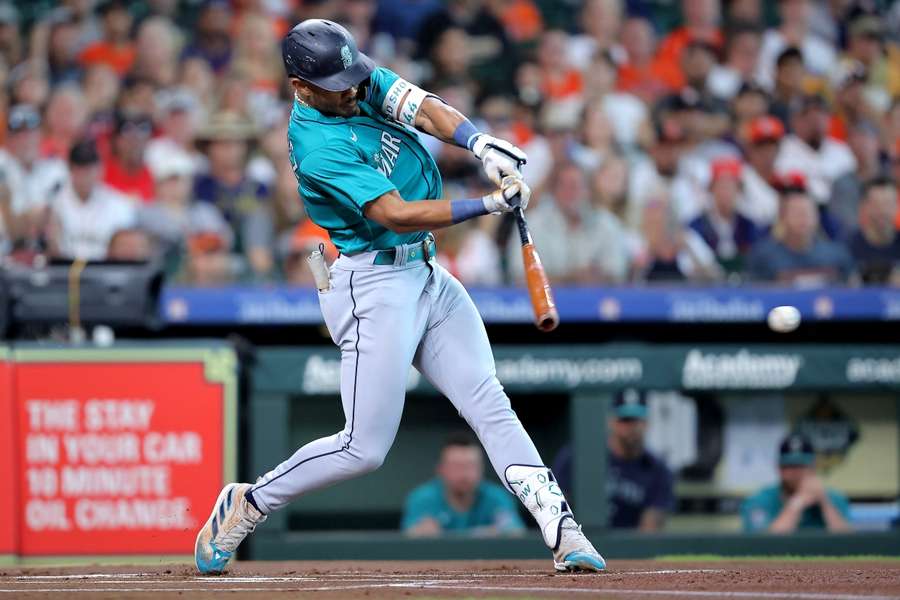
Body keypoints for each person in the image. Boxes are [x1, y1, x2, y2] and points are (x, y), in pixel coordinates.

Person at [194, 19, 605, 575]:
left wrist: (477, 142)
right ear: (301, 88)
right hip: (373, 286)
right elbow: (394, 214)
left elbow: (424, 107)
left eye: (353, 74)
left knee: (489, 400)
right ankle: (248, 502)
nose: (355, 88)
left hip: (427, 273)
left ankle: (566, 534)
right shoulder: (315, 146)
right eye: (339, 83)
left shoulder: (355, 80)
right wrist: (485, 204)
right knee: (363, 448)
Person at [552, 389, 674, 532]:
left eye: (636, 420)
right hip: (578, 545)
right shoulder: (575, 457)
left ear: (646, 422)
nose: (631, 427)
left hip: (630, 551)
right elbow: (555, 514)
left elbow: (649, 532)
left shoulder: (658, 470)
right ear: (611, 421)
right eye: (625, 420)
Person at [401, 432, 526, 537]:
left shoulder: (497, 496)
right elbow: (408, 536)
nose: (464, 474)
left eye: (470, 466)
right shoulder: (422, 498)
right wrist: (421, 532)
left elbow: (516, 532)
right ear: (441, 469)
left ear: (481, 469)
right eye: (456, 466)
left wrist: (496, 532)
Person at [746, 179, 855, 285]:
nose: (803, 219)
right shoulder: (763, 256)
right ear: (782, 218)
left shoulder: (837, 255)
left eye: (807, 213)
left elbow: (854, 290)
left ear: (817, 218)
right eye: (796, 213)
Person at [741, 433, 852, 533]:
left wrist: (825, 502)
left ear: (813, 468)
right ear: (779, 469)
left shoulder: (835, 499)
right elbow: (764, 544)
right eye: (789, 466)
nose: (796, 473)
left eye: (802, 466)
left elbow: (847, 542)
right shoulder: (759, 501)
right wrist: (798, 502)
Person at [47, 138, 136, 261]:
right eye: (79, 168)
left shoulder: (118, 205)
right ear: (70, 170)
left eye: (89, 168)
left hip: (106, 271)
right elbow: (51, 250)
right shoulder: (54, 203)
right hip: (64, 271)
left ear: (100, 169)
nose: (84, 175)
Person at [689, 158, 761, 275]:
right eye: (721, 186)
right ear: (711, 189)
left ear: (738, 190)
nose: (725, 192)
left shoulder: (748, 226)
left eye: (731, 187)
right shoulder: (696, 225)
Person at [848, 177, 900, 285]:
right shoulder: (847, 247)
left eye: (888, 203)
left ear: (897, 206)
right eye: (876, 204)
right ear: (864, 207)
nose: (883, 210)